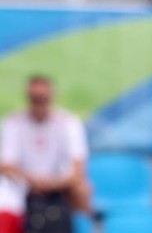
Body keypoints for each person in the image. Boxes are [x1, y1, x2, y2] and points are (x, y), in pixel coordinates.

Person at [0, 75, 90, 217]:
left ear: (52, 97)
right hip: (22, 185)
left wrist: (52, 184)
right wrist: (32, 181)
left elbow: (77, 169)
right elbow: (6, 166)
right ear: (28, 97)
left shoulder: (69, 123)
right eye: (34, 98)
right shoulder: (13, 123)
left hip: (60, 185)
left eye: (42, 97)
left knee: (82, 189)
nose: (39, 102)